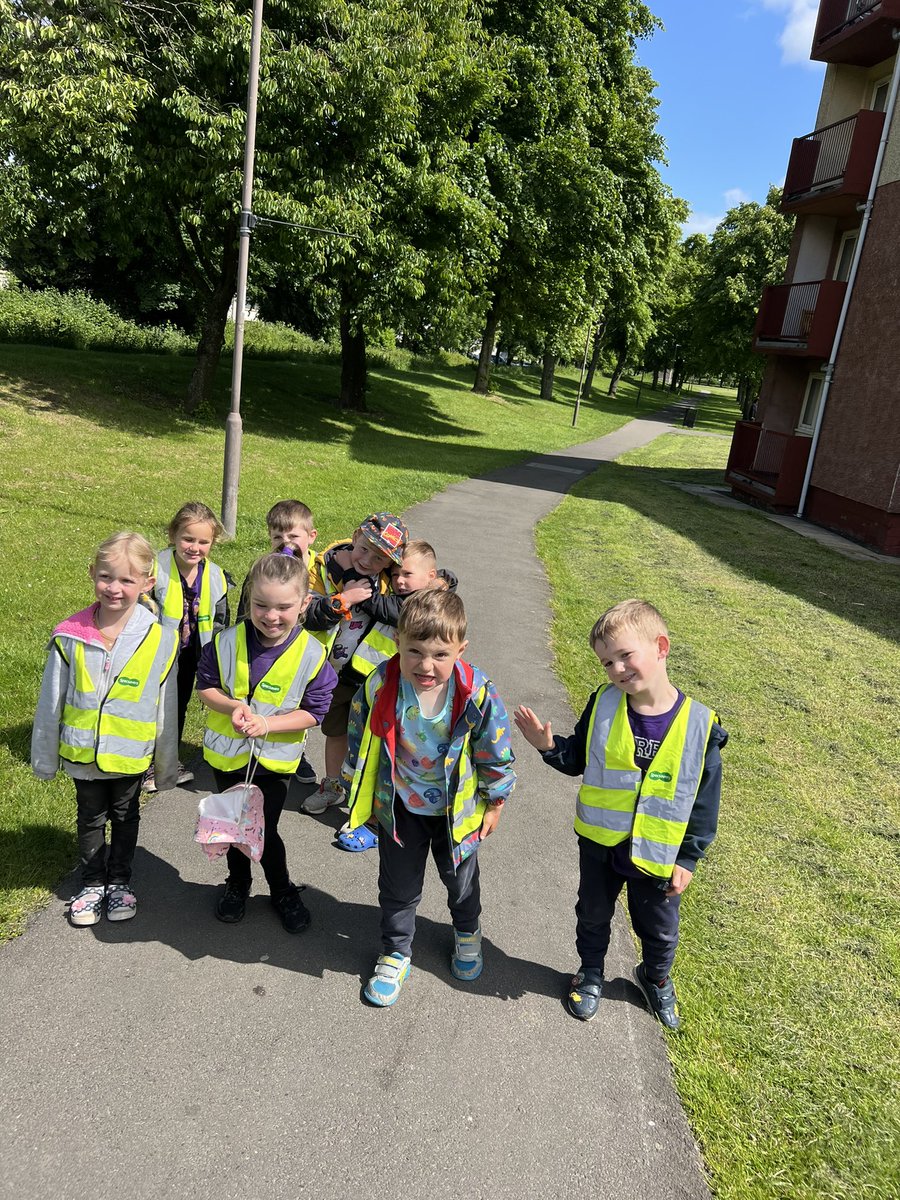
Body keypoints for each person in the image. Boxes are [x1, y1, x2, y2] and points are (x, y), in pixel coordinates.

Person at [514, 599, 726, 1030]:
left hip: (659, 855)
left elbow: (704, 801)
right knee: (592, 914)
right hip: (600, 844)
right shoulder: (604, 703)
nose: (617, 669)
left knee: (660, 930)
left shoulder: (700, 725)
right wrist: (548, 746)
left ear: (661, 647)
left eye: (625, 655)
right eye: (607, 662)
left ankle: (655, 978)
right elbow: (579, 758)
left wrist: (688, 857)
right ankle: (590, 972)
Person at [343, 589, 516, 1006]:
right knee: (398, 886)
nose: (425, 665)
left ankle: (467, 931)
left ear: (460, 650)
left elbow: (494, 749)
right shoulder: (381, 684)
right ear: (397, 642)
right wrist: (360, 795)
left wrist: (495, 801)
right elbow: (360, 739)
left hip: (457, 813)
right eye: (414, 651)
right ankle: (395, 951)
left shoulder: (474, 691)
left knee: (461, 883)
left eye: (440, 654)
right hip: (400, 807)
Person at [31, 532, 179, 926]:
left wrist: (165, 767)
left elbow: (166, 709)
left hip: (130, 757)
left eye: (127, 580)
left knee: (126, 817)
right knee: (90, 818)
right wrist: (44, 759)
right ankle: (92, 884)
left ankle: (120, 883)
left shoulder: (161, 639)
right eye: (106, 577)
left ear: (147, 583)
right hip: (82, 754)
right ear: (92, 574)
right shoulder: (69, 636)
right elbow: (50, 703)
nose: (114, 588)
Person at [197, 552, 337, 932]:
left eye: (283, 607)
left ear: (304, 604)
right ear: (249, 600)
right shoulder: (226, 642)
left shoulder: (312, 655)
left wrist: (267, 724)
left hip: (273, 764)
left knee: (263, 828)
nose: (271, 616)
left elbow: (315, 712)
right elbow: (206, 687)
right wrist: (232, 706)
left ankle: (281, 889)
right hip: (228, 758)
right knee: (232, 825)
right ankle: (238, 883)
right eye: (261, 605)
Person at [336, 539, 459, 852]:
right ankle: (373, 818)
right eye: (394, 575)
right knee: (381, 756)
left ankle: (379, 823)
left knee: (392, 758)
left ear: (430, 577)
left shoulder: (412, 606)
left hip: (405, 690)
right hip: (385, 684)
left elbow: (377, 604)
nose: (398, 581)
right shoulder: (425, 595)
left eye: (406, 574)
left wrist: (351, 578)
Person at [302, 512, 408, 816]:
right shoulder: (324, 568)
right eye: (364, 549)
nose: (368, 560)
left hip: (373, 677)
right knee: (335, 731)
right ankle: (332, 786)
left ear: (389, 563)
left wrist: (443, 581)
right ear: (355, 536)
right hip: (331, 672)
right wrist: (344, 598)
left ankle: (368, 800)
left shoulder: (391, 581)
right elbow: (307, 615)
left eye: (379, 558)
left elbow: (414, 602)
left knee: (372, 739)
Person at [147, 501, 232, 791]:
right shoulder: (154, 570)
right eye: (188, 539)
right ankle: (144, 765)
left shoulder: (216, 576)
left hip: (193, 653)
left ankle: (168, 762)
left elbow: (220, 621)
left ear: (212, 543)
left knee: (177, 706)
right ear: (173, 535)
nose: (195, 547)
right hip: (156, 655)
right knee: (153, 708)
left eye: (203, 542)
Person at [236, 499, 319, 784]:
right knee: (262, 700)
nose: (286, 543)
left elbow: (323, 612)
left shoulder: (320, 571)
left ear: (311, 536)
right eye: (277, 537)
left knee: (296, 707)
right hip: (264, 650)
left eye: (293, 535)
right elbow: (245, 609)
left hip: (304, 656)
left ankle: (296, 755)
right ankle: (248, 751)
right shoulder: (262, 570)